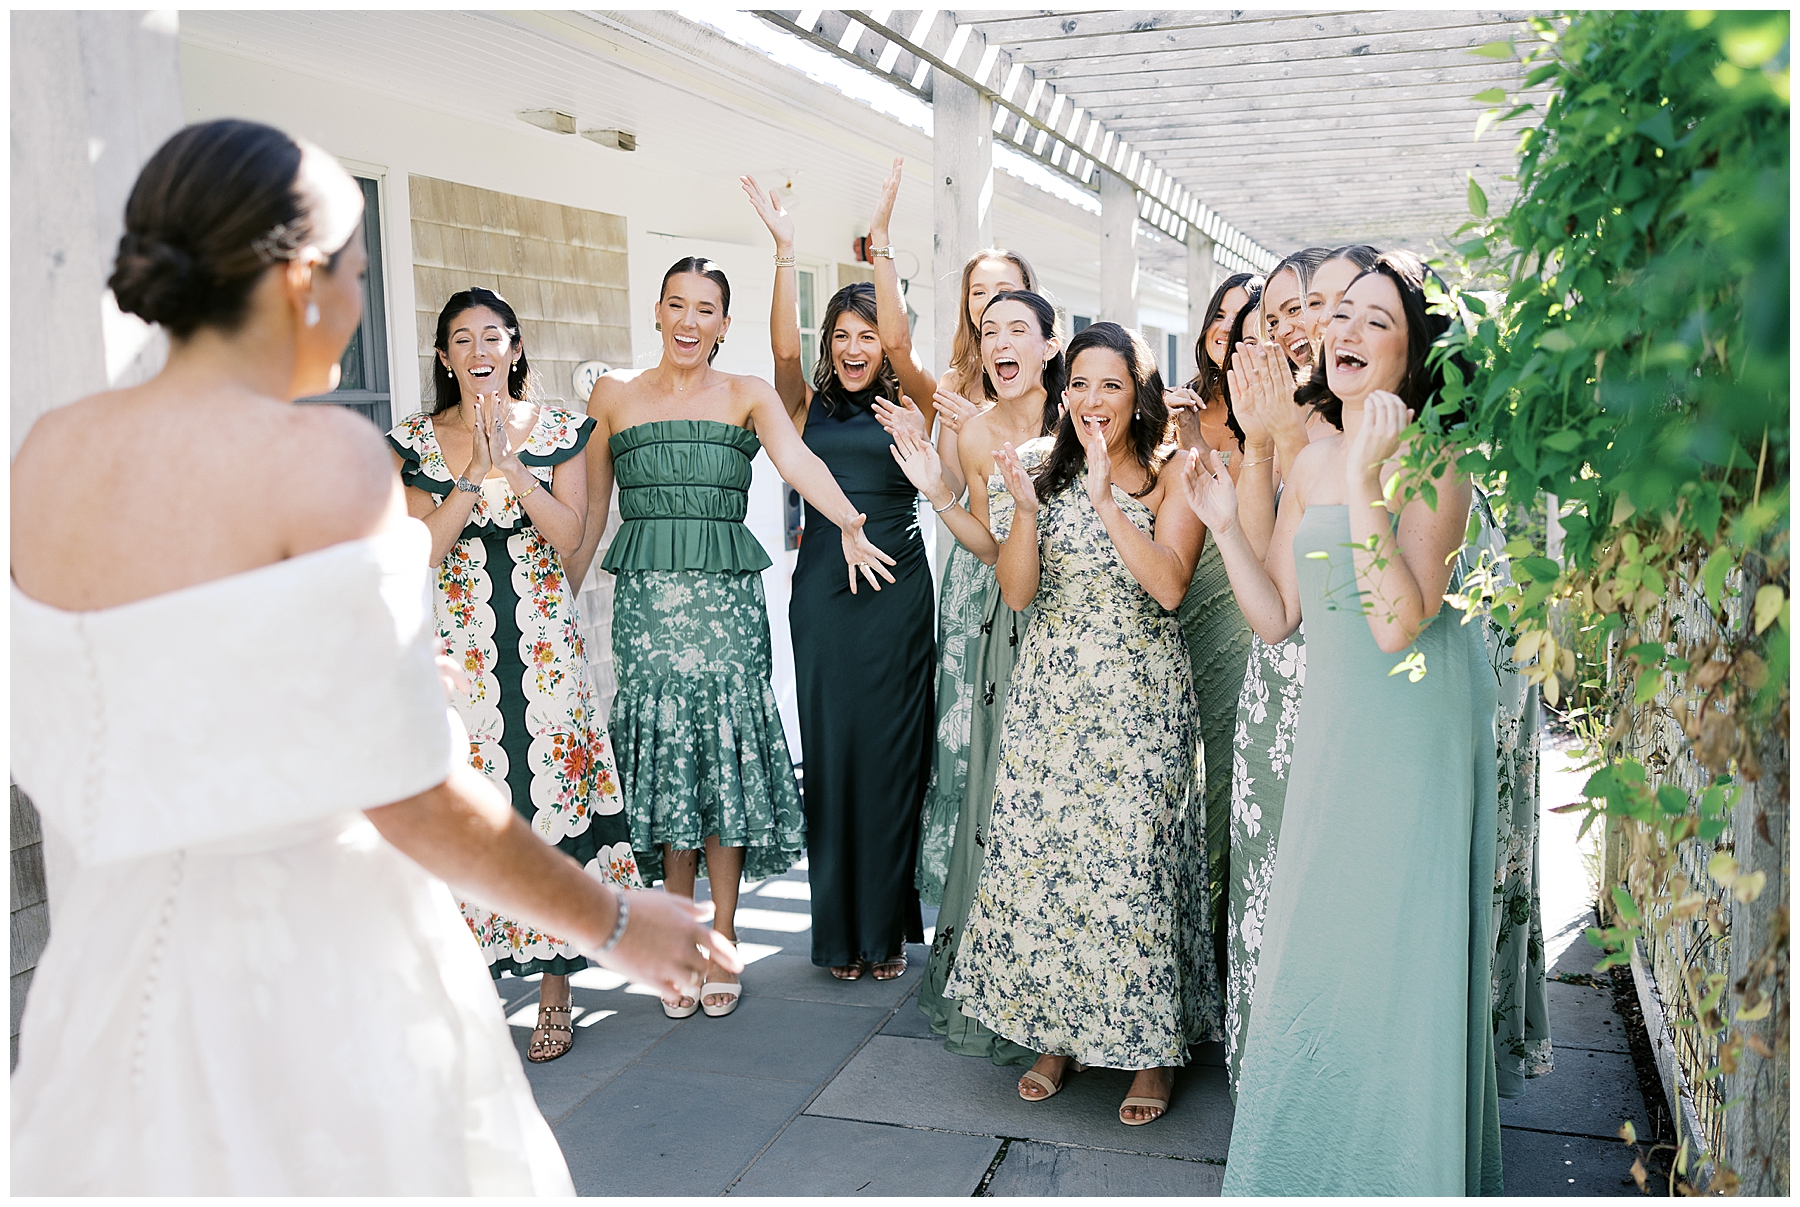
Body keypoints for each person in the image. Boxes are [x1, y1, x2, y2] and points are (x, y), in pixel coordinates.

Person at [8, 119, 733, 1195]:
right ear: (301, 279)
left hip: (109, 972)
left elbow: (97, 710)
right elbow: (412, 796)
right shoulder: (325, 457)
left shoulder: (47, 454)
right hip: (318, 963)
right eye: (354, 269)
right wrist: (621, 923)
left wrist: (327, 700)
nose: (359, 300)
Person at [1187, 251, 1503, 1194]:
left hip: (1415, 719)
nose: (1347, 332)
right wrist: (1225, 517)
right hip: (1335, 718)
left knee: (1395, 938)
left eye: (1377, 319)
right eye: (1340, 317)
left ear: (1415, 353)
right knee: (1319, 942)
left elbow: (1399, 619)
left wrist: (1369, 476)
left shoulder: (1435, 456)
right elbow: (1275, 616)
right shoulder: (1314, 451)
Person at [577, 256, 897, 1018]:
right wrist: (557, 588)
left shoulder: (750, 393)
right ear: (657, 312)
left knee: (719, 759)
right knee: (669, 767)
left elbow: (800, 461)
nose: (690, 322)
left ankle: (722, 940)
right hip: (648, 611)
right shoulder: (612, 396)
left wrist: (850, 521)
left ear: (724, 324)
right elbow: (591, 509)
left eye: (707, 309)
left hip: (725, 609)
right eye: (677, 305)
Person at [943, 322, 1217, 1127]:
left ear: (1140, 396)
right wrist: (1026, 513)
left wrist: (1104, 499)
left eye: (1112, 386)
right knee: (1051, 863)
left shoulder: (1176, 472)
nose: (1094, 401)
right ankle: (1056, 1035)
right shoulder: (1035, 467)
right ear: (1065, 396)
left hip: (1138, 700)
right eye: (1082, 386)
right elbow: (1019, 591)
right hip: (1053, 700)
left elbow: (1169, 585)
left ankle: (1151, 1054)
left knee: (1134, 866)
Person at [388, 286, 634, 1063]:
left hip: (545, 650)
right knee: (478, 805)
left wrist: (514, 468)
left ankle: (555, 992)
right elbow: (423, 549)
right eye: (462, 339)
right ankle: (472, 986)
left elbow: (567, 539)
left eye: (493, 336)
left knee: (549, 808)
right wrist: (471, 475)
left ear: (517, 348)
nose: (479, 351)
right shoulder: (415, 441)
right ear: (443, 357)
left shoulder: (560, 429)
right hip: (465, 655)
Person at [741, 174, 934, 980]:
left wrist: (881, 247)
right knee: (833, 756)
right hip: (822, 591)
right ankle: (835, 938)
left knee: (891, 762)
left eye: (867, 335)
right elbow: (783, 350)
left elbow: (899, 348)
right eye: (841, 335)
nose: (855, 348)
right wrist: (785, 251)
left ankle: (884, 932)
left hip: (895, 597)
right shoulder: (802, 403)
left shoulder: (910, 403)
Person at [887, 290, 1063, 1067]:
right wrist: (938, 489)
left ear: (1052, 346)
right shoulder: (979, 430)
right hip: (1014, 624)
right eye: (989, 331)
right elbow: (990, 548)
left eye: (1018, 330)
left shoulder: (1084, 419)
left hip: (1088, 629)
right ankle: (1010, 994)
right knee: (1005, 801)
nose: (1000, 342)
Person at [860, 157, 1040, 911]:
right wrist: (883, 246)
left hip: (1035, 561)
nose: (991, 305)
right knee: (969, 726)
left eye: (1007, 294)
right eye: (979, 295)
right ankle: (970, 899)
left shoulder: (1042, 388)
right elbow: (896, 346)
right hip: (973, 568)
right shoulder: (958, 385)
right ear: (967, 307)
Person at [1211, 245, 1357, 1091]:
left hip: (1353, 678)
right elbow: (1267, 574)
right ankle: (1272, 1080)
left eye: (1304, 306)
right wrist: (1259, 441)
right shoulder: (1279, 422)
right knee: (1271, 878)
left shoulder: (1364, 416)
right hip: (1284, 665)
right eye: (1275, 316)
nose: (1290, 326)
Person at [1161, 272, 1261, 992]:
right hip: (1180, 594)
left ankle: (1226, 966)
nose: (1227, 331)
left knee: (1229, 784)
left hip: (1246, 603)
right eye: (1219, 317)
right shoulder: (1179, 404)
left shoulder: (1274, 412)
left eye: (1243, 320)